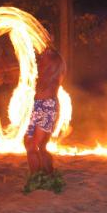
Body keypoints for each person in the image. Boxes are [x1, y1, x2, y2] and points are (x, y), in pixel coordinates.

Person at [24, 47, 66, 176]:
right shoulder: (44, 70)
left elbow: (54, 60)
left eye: (48, 53)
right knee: (29, 143)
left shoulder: (54, 70)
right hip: (38, 106)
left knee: (36, 145)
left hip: (46, 107)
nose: (43, 53)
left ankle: (41, 176)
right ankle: (41, 176)